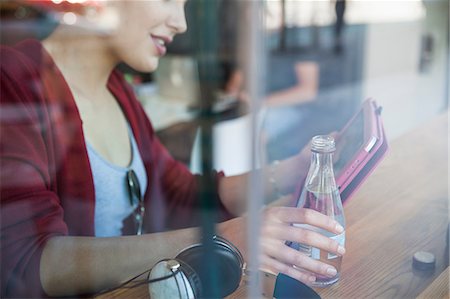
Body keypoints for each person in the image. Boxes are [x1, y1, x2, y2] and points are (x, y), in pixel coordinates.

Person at [0, 0, 345, 297]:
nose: (180, 23)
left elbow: (181, 193)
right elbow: (28, 259)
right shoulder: (11, 80)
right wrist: (219, 240)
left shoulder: (119, 91)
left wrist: (288, 172)